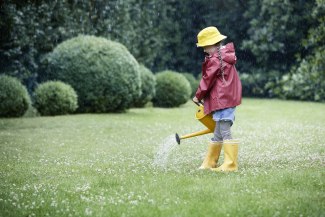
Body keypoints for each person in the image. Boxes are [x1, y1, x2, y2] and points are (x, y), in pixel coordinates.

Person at [193, 26, 242, 172]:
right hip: (225, 98)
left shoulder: (216, 59)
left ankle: (230, 164)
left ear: (213, 44)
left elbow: (207, 80)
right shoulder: (222, 56)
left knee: (224, 130)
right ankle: (211, 162)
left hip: (223, 99)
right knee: (218, 131)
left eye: (205, 46)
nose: (204, 50)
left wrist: (198, 96)